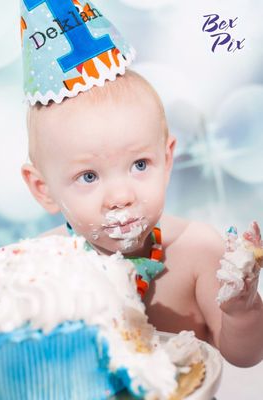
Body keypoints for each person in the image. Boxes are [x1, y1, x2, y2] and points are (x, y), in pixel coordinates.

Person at [21, 69, 263, 368]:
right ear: (42, 189)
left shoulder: (199, 250)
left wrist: (243, 311)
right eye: (88, 176)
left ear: (167, 159)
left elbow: (245, 356)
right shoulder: (38, 266)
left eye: (139, 164)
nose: (121, 196)